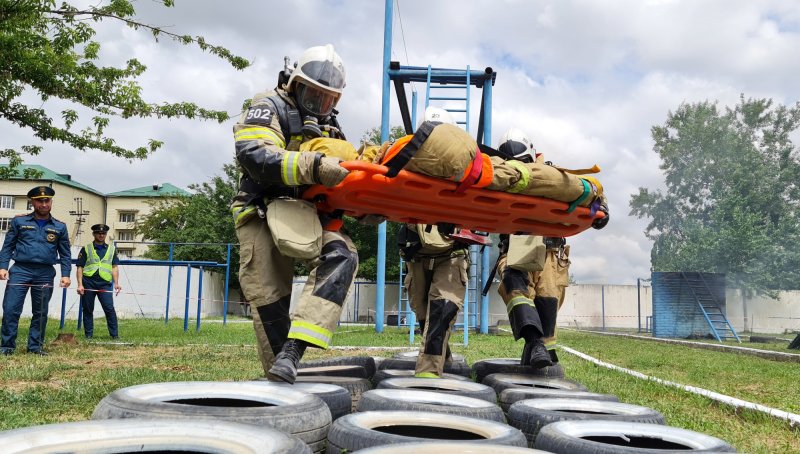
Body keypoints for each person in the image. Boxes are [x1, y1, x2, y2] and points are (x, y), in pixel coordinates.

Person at [230, 44, 358, 383]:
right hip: (260, 210)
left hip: (308, 214)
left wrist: (366, 205)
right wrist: (311, 165)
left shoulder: (334, 131)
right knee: (269, 298)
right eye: (311, 95)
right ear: (293, 84)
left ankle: (294, 351)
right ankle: (281, 383)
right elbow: (253, 154)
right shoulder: (268, 106)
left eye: (327, 99)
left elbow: (348, 177)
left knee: (342, 254)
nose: (318, 105)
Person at [495, 128, 609, 368]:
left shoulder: (551, 174)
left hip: (551, 251)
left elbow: (585, 188)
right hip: (518, 247)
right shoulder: (500, 174)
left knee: (547, 305)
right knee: (516, 290)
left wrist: (602, 209)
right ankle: (535, 343)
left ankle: (541, 350)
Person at [399, 107, 468, 378]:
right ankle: (442, 353)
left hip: (451, 254)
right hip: (417, 255)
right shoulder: (404, 163)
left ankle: (427, 377)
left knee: (442, 311)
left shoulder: (466, 168)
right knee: (424, 315)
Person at [0, 186, 71, 356]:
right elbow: (7, 246)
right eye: (40, 201)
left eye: (47, 200)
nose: (44, 204)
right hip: (20, 270)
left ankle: (35, 347)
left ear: (51, 202)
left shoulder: (60, 227)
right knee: (11, 309)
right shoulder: (19, 222)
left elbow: (65, 253)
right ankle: (7, 346)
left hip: (45, 272)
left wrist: (66, 275)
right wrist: (3, 266)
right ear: (33, 202)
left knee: (40, 311)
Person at [76, 224, 121, 340]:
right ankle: (89, 335)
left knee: (109, 308)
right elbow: (79, 267)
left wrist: (116, 283)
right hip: (88, 282)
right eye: (98, 233)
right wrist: (80, 284)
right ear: (94, 234)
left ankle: (114, 335)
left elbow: (114, 267)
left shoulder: (112, 249)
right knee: (87, 309)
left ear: (106, 235)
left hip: (105, 283)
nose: (101, 235)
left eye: (103, 233)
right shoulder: (86, 248)